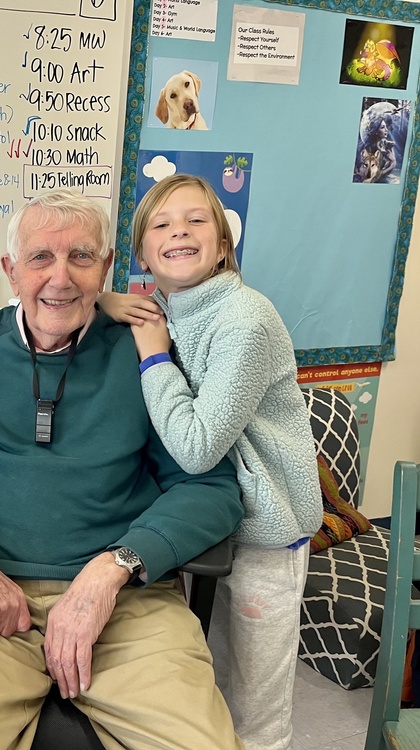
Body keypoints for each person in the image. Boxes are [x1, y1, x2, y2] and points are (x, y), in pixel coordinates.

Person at [0, 188, 246, 750]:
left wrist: (113, 569)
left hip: (124, 598)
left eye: (81, 257)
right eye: (40, 258)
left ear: (104, 268)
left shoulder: (146, 356)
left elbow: (210, 487)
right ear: (11, 270)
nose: (61, 278)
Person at [101, 173, 321, 750]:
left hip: (261, 533)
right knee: (202, 687)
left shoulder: (243, 319)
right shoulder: (171, 308)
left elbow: (197, 447)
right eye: (162, 224)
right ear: (143, 253)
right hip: (205, 527)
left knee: (253, 703)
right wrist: (103, 298)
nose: (180, 231)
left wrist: (153, 359)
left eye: (197, 220)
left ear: (223, 245)